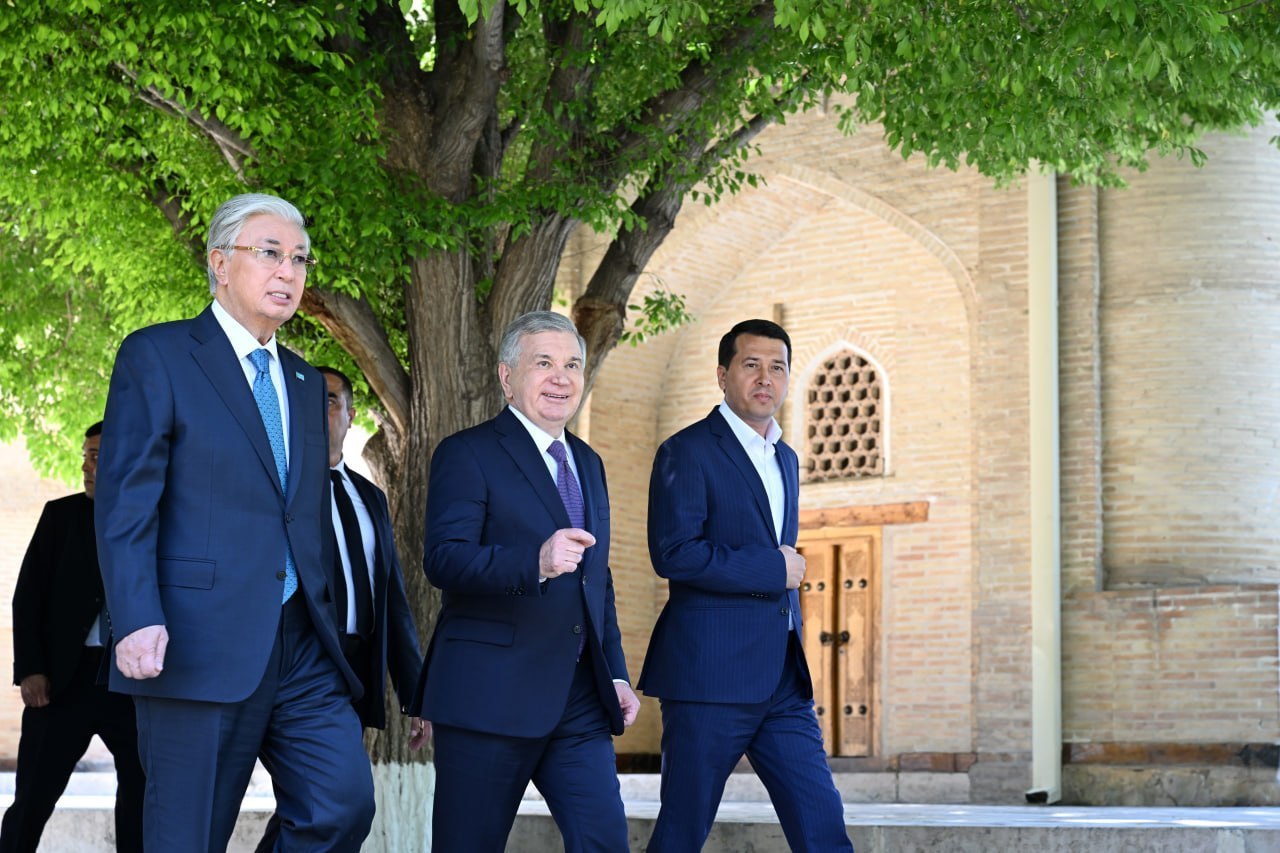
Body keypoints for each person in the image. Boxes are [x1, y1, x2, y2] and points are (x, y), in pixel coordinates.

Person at [94, 193, 374, 852]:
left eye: (299, 259)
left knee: (341, 804)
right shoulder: (158, 355)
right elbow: (126, 500)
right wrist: (135, 615)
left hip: (301, 644)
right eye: (270, 253)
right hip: (194, 639)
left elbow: (301, 513)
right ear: (220, 264)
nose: (288, 271)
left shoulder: (304, 382)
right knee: (187, 836)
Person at [414, 310, 640, 852]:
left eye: (572, 365)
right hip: (489, 696)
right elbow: (444, 560)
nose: (561, 378)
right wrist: (533, 561)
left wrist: (614, 672)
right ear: (507, 376)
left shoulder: (588, 462)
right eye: (543, 363)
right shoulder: (468, 453)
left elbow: (596, 581)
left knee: (605, 840)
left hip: (579, 699)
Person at [639, 318, 852, 851]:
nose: (765, 378)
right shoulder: (686, 451)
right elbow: (674, 553)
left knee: (823, 825)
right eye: (751, 364)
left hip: (782, 679)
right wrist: (772, 570)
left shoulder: (786, 458)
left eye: (777, 367)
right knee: (682, 832)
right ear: (722, 375)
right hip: (708, 678)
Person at [253, 366, 428, 852]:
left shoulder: (371, 497)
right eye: (307, 399)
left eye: (330, 399)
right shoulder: (279, 488)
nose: (318, 408)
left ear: (351, 415)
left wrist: (415, 692)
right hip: (293, 662)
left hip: (354, 672)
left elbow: (393, 600)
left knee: (316, 806)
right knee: (331, 803)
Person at [1, 422, 144, 853]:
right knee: (31, 801)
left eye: (96, 457)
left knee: (140, 802)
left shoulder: (152, 520)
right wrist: (31, 669)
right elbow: (28, 596)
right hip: (63, 682)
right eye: (86, 455)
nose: (85, 466)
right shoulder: (59, 516)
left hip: (134, 687)